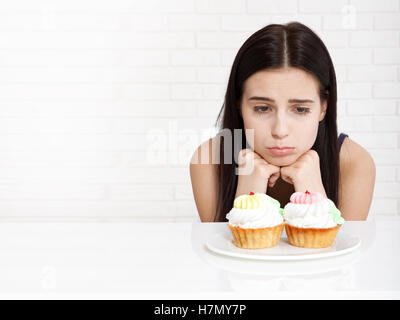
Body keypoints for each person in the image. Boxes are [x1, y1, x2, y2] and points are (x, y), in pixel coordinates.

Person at [190, 22, 375, 222]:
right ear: (239, 104)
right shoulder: (210, 160)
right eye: (262, 108)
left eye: (300, 109)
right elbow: (220, 252)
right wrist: (249, 198)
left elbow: (345, 253)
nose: (280, 130)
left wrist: (313, 196)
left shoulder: (354, 162)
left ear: (323, 106)